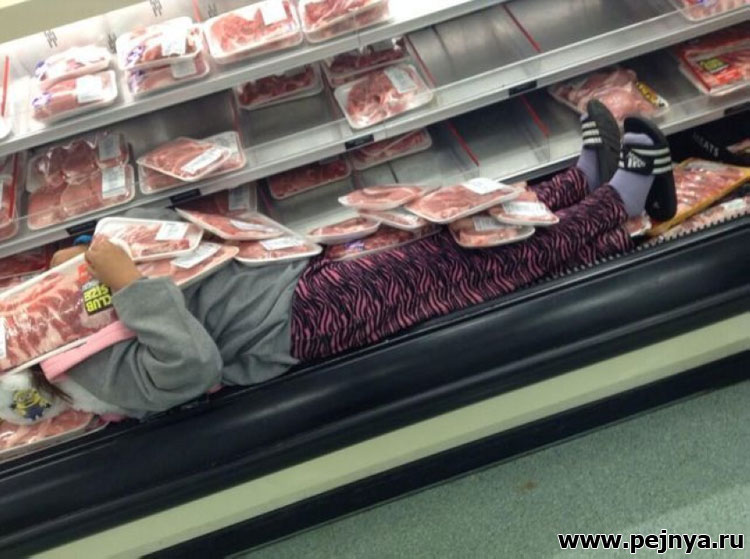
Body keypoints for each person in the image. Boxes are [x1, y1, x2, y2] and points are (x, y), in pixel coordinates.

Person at [4, 101, 678, 422]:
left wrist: (83, 260)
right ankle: (620, 201)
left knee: (447, 224)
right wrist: (129, 285)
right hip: (300, 322)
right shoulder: (93, 380)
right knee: (466, 265)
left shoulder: (62, 321)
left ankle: (576, 184)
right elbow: (190, 366)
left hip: (292, 270)